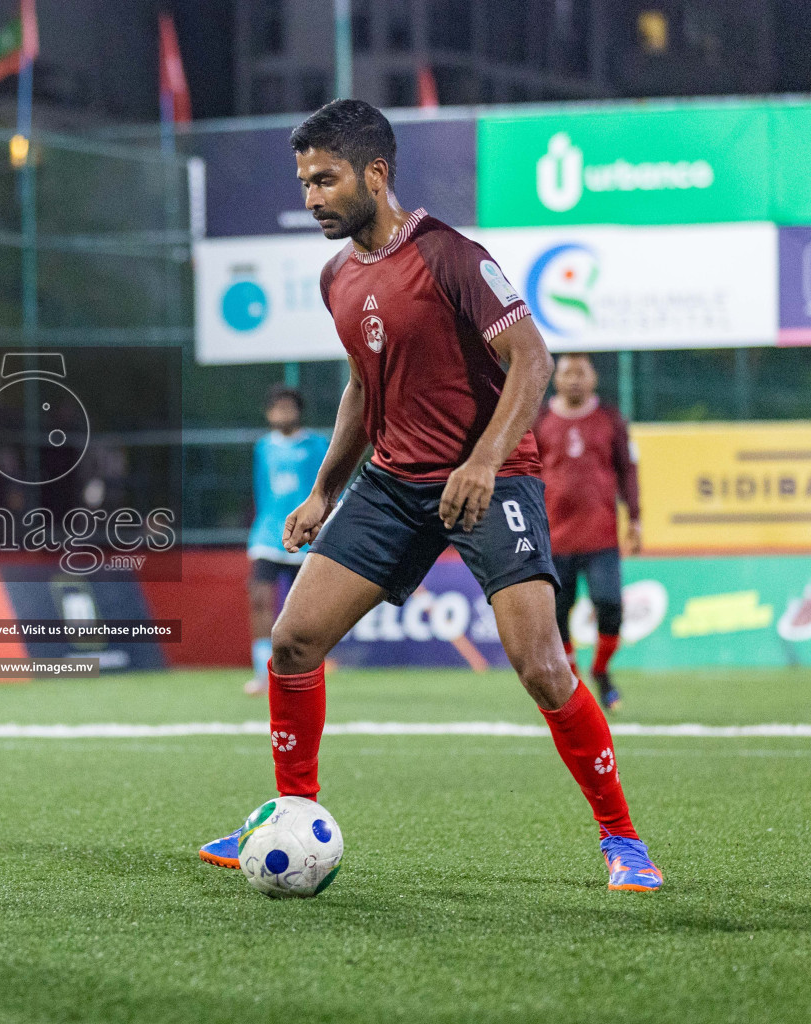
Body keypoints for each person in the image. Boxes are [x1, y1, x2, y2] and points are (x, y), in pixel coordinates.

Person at [197, 100, 662, 892]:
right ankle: (290, 813)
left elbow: (533, 361)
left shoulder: (450, 255)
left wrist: (482, 463)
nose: (311, 197)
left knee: (544, 667)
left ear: (375, 174)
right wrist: (323, 490)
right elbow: (359, 387)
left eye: (325, 179)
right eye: (304, 182)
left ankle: (623, 841)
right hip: (391, 482)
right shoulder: (336, 276)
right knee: (294, 642)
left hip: (494, 478)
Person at [534, 354, 639, 711]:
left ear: (593, 377)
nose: (574, 379)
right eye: (567, 372)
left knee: (609, 605)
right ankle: (574, 682)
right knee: (557, 616)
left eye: (581, 372)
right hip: (554, 538)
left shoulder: (610, 418)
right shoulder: (540, 420)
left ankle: (601, 671)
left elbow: (628, 469)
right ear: (555, 378)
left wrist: (636, 518)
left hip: (601, 537)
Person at [243, 385, 328, 696]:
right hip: (267, 536)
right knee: (260, 600)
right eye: (276, 407)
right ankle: (261, 673)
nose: (282, 413)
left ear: (298, 411)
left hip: (303, 539)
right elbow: (261, 492)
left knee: (302, 611)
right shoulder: (263, 447)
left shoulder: (318, 445)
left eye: (287, 407)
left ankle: (300, 671)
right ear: (268, 413)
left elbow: (331, 489)